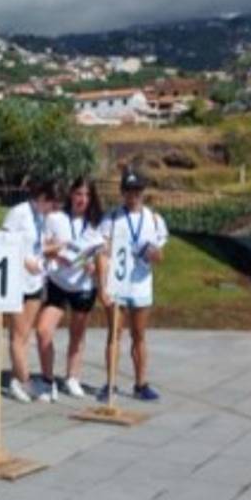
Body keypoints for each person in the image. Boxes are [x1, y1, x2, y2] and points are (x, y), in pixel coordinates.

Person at [98, 168, 169, 402]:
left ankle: (140, 384)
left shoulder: (154, 220)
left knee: (139, 334)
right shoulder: (111, 218)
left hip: (140, 284)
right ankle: (111, 385)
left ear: (143, 192)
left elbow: (161, 257)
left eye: (137, 190)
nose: (133, 195)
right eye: (129, 191)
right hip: (117, 283)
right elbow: (103, 252)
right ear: (122, 192)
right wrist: (102, 286)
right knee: (114, 333)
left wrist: (152, 253)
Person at [35, 176, 106, 400]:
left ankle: (72, 377)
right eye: (78, 194)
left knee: (77, 334)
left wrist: (94, 267)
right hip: (58, 282)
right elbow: (42, 247)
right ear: (71, 195)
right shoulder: (55, 218)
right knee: (43, 330)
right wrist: (60, 251)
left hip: (83, 286)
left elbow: (103, 253)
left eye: (86, 195)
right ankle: (48, 381)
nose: (82, 199)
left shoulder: (96, 224)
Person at [1, 179, 63, 403]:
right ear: (42, 198)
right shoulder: (19, 213)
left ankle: (19, 377)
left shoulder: (40, 217)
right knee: (17, 334)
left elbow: (37, 246)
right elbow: (4, 242)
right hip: (17, 280)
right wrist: (23, 260)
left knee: (25, 333)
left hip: (35, 281)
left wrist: (54, 248)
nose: (53, 211)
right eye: (52, 204)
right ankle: (23, 380)